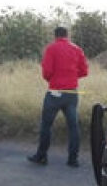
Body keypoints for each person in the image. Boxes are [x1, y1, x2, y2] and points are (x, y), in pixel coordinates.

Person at [28, 27, 89, 168]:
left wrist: (53, 79)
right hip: (72, 93)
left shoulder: (51, 48)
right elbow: (84, 71)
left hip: (55, 92)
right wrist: (72, 77)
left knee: (46, 125)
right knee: (73, 127)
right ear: (67, 35)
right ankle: (73, 159)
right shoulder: (77, 49)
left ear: (55, 36)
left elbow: (47, 72)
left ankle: (41, 156)